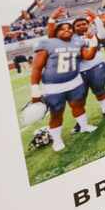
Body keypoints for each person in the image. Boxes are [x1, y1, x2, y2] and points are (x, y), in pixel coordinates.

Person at [29, 19, 98, 152]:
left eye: (69, 28)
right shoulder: (47, 43)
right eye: (62, 28)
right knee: (56, 113)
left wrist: (93, 40)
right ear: (55, 31)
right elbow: (37, 68)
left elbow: (88, 56)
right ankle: (57, 139)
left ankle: (84, 126)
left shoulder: (78, 41)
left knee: (78, 106)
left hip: (74, 82)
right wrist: (35, 89)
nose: (67, 30)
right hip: (54, 87)